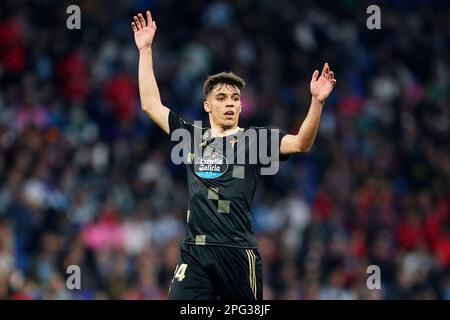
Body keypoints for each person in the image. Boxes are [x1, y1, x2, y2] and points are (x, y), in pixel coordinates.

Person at [131, 10, 336, 300]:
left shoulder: (254, 141)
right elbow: (151, 104)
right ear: (207, 106)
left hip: (237, 251)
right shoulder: (190, 137)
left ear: (241, 107)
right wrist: (146, 50)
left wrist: (316, 102)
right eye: (222, 98)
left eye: (235, 99)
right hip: (196, 252)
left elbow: (302, 143)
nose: (230, 104)